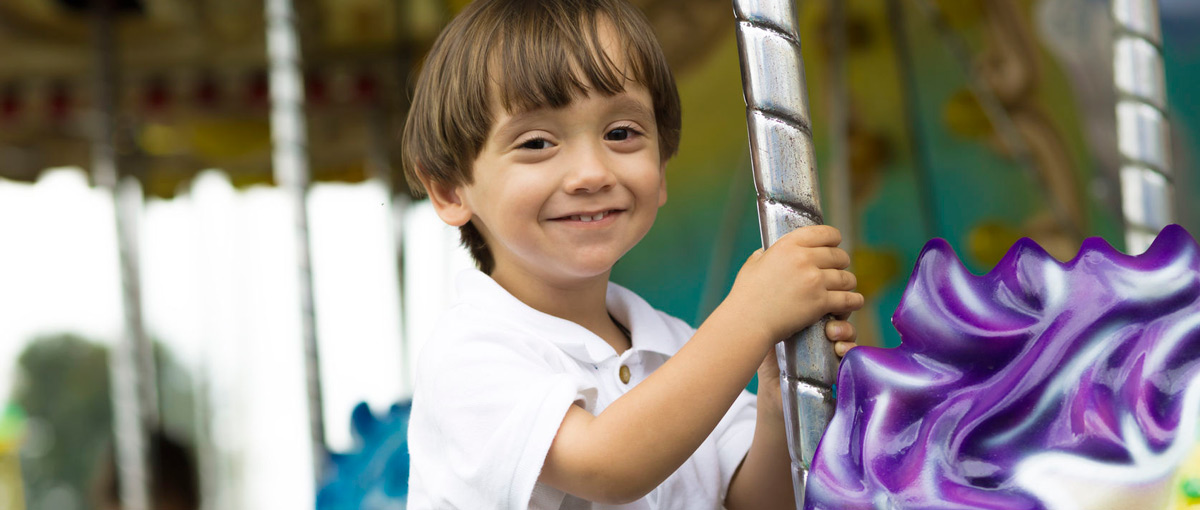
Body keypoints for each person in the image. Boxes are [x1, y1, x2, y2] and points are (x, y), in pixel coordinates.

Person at [402, 0, 863, 508]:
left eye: (620, 133)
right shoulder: (471, 354)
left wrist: (778, 405)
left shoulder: (675, 345)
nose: (591, 173)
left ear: (661, 170)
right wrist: (751, 317)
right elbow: (605, 465)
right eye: (536, 143)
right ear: (449, 191)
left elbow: (756, 501)